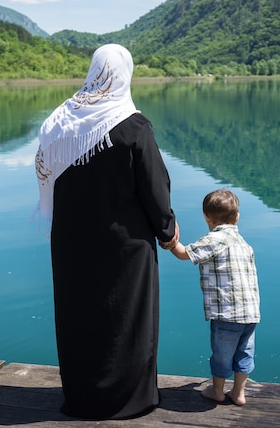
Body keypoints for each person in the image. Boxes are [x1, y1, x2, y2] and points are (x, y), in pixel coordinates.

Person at [35, 43, 178, 420]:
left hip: (70, 242)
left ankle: (83, 397)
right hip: (124, 249)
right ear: (124, 75)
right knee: (125, 319)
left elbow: (47, 175)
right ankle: (130, 401)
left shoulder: (59, 123)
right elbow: (155, 188)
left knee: (78, 316)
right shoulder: (133, 126)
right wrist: (168, 232)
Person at [169, 188, 260, 405]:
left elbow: (184, 253)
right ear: (237, 217)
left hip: (226, 313)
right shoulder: (244, 244)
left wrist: (169, 239)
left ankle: (217, 391)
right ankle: (238, 393)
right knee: (244, 353)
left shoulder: (214, 240)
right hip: (250, 314)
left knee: (222, 354)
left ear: (206, 217)